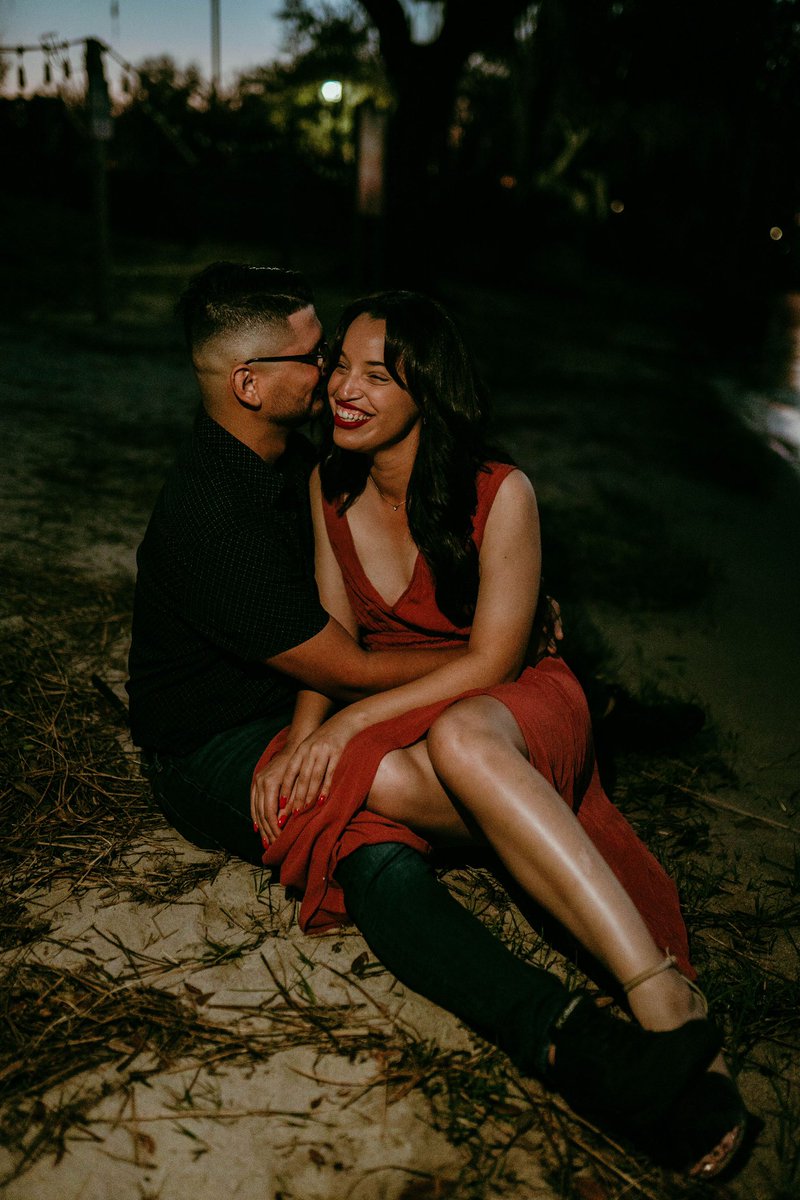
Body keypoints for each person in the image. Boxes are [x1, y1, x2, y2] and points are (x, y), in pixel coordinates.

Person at [127, 263, 734, 1177]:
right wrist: (498, 644)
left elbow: (408, 603)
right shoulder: (218, 514)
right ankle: (586, 1052)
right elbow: (351, 661)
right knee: (382, 855)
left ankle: (571, 797)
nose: (335, 376)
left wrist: (516, 621)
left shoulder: (298, 456)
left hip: (361, 704)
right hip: (213, 750)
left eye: (362, 363)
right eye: (323, 357)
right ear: (251, 384)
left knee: (437, 767)